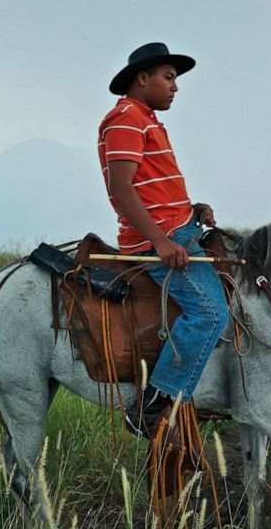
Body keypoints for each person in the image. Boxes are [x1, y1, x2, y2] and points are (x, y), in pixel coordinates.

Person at [97, 42, 229, 438]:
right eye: (168, 78)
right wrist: (161, 243)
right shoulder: (124, 119)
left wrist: (193, 209)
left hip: (178, 228)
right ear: (143, 77)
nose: (175, 87)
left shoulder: (146, 118)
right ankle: (154, 405)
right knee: (210, 312)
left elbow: (152, 188)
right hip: (159, 242)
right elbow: (122, 189)